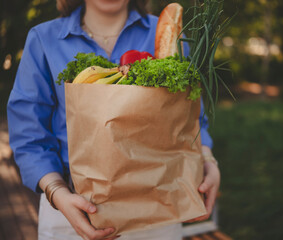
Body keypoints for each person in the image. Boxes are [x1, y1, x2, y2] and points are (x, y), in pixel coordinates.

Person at [7, 0, 220, 239]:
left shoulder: (171, 36)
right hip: (72, 210)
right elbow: (29, 134)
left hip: (159, 207)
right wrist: (58, 193)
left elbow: (191, 121)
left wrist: (209, 161)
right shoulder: (44, 39)